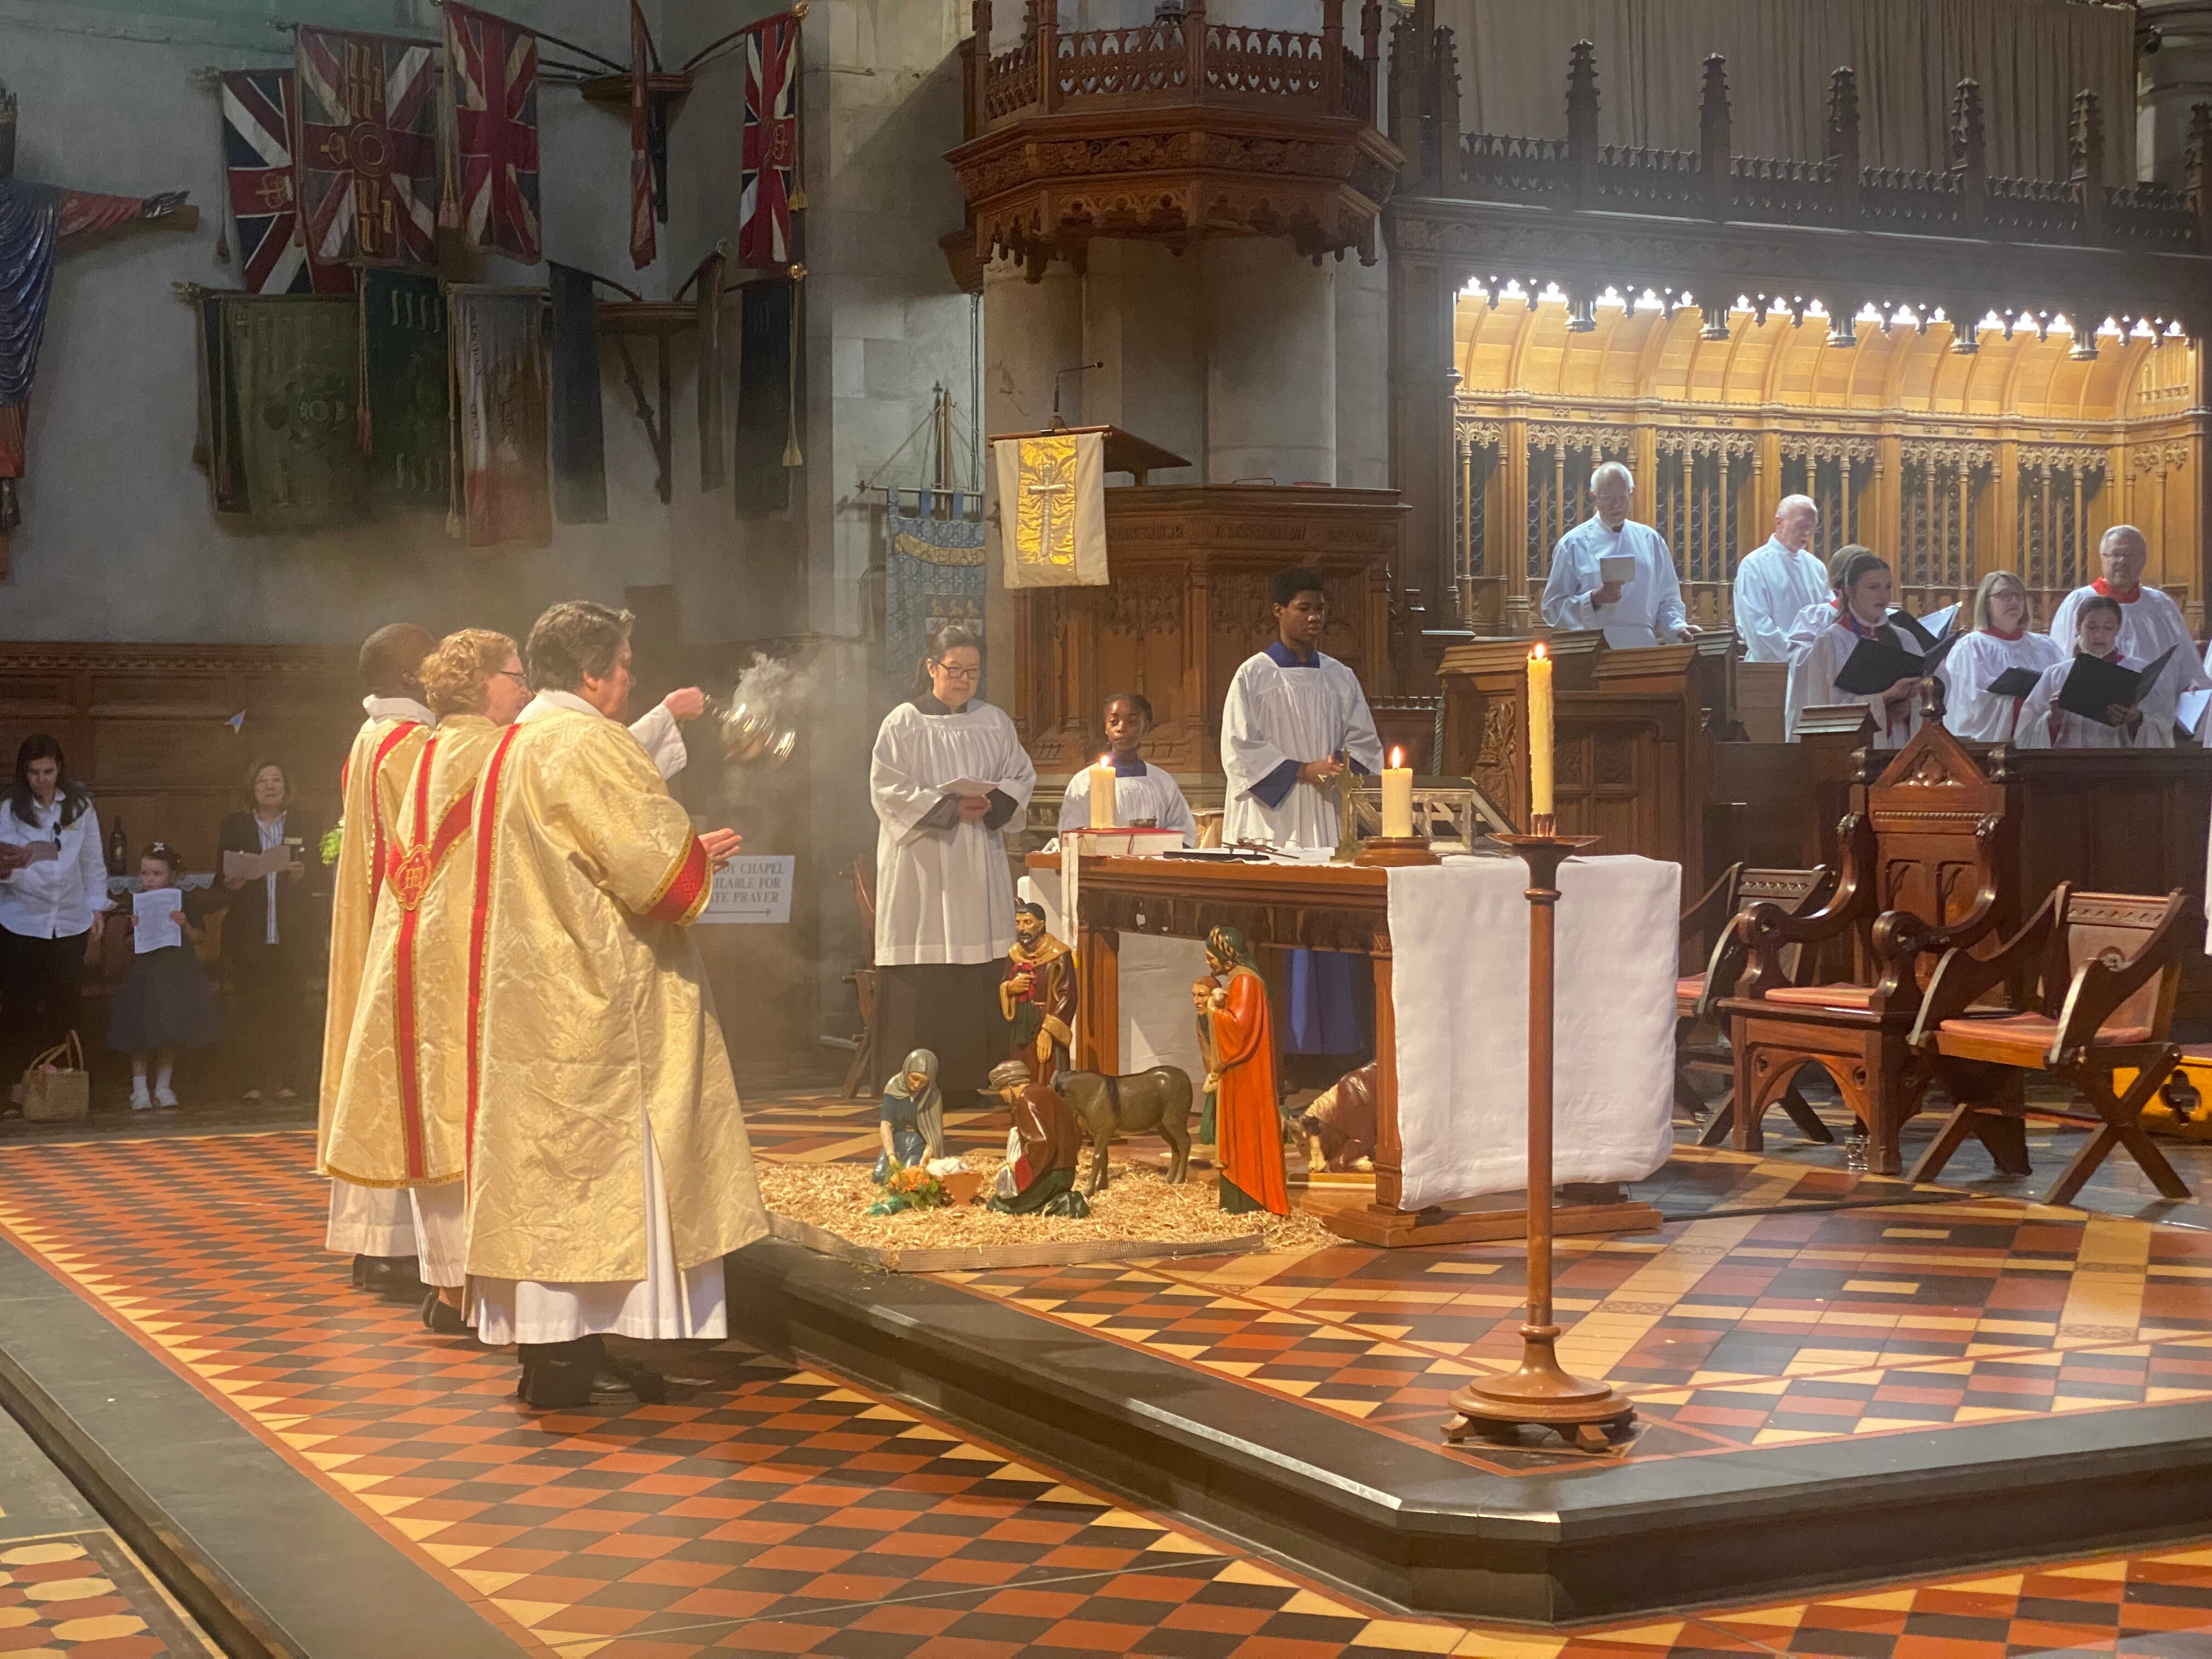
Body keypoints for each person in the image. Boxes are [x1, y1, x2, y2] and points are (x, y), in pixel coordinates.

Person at [465, 600, 765, 1409]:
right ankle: (564, 1364)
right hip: (598, 993)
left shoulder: (515, 743)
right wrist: (692, 862)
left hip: (532, 991)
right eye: (626, 665)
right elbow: (657, 881)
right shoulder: (587, 744)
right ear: (594, 673)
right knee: (603, 1181)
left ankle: (563, 1353)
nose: (632, 680)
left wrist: (672, 859)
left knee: (548, 1182)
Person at [324, 629, 532, 1334]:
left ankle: (437, 1279)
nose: (524, 688)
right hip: (455, 950)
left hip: (403, 939)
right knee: (454, 1116)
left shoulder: (395, 742)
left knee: (425, 1112)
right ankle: (452, 1285)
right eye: (514, 674)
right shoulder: (456, 749)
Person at [1221, 567, 1383, 1076]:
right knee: (1282, 932)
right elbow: (1240, 750)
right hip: (1277, 820)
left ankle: (1337, 1051)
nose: (1314, 618)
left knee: (1330, 926)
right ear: (1278, 611)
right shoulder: (1253, 676)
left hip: (1327, 815)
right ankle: (1281, 1054)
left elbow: (1365, 744)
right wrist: (1300, 770)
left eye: (1320, 609)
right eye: (1303, 608)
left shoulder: (1340, 676)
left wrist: (1339, 769)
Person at [870, 623, 1037, 1104]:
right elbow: (887, 788)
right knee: (924, 963)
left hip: (975, 856)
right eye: (954, 670)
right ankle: (912, 1081)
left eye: (973, 671)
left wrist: (993, 804)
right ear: (930, 669)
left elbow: (1020, 775)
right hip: (922, 862)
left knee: (974, 962)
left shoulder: (995, 722)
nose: (964, 680)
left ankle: (965, 1080)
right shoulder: (903, 723)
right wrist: (946, 808)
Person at [321, 622, 438, 1296]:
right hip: (403, 940)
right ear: (408, 677)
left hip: (370, 932)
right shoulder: (416, 747)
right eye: (432, 652)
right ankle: (396, 1251)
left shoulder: (370, 740)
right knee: (401, 1082)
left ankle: (374, 1245)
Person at [0, 736, 110, 1103]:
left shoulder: (79, 806)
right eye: (34, 772)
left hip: (69, 919)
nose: (42, 779)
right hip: (22, 920)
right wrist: (12, 867)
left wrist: (97, 908)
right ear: (24, 773)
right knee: (21, 1007)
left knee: (66, 1004)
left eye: (48, 771)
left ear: (59, 769)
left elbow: (93, 859)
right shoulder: (10, 808)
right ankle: (20, 1090)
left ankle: (65, 1088)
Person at [210, 762, 320, 1101]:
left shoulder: (305, 823)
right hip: (249, 933)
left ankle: (288, 1081)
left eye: (277, 780)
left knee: (290, 1007)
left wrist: (305, 875)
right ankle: (252, 1082)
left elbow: (323, 876)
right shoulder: (236, 825)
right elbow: (220, 882)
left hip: (293, 932)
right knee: (249, 1008)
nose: (270, 786)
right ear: (252, 789)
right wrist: (233, 881)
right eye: (262, 781)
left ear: (287, 788)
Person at [106, 844, 220, 1110]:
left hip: (176, 972)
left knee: (170, 1028)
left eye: (157, 874)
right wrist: (135, 929)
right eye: (145, 873)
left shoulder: (185, 900)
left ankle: (163, 1086)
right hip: (145, 973)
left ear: (172, 874)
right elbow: (129, 944)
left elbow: (200, 937)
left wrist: (184, 924)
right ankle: (139, 1089)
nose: (150, 879)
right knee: (141, 1029)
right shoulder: (137, 901)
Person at [1539, 462, 1697, 648]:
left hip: (1643, 649)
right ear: (1594, 498)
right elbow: (1552, 608)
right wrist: (1595, 599)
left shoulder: (1650, 540)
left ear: (1631, 494)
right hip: (1594, 648)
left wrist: (1677, 628)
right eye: (1609, 498)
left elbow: (1668, 600)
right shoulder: (1573, 544)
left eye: (1623, 497)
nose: (1618, 505)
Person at [1785, 548, 1925, 746]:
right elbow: (1824, 709)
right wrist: (1885, 698)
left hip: (1898, 742)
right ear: (1850, 591)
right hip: (1853, 748)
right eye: (1873, 587)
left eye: (1887, 587)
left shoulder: (1904, 638)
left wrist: (1909, 708)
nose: (1883, 596)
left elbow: (1924, 701)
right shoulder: (1831, 641)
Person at [1193, 926, 1286, 1217]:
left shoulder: (1245, 982)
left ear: (1228, 958)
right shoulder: (1237, 979)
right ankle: (1239, 1199)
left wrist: (1212, 1009)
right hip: (1240, 1073)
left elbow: (1239, 1030)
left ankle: (1250, 1197)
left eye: (1212, 958)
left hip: (1247, 1074)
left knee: (1245, 1131)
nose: (1209, 963)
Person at [2050, 526, 2209, 693]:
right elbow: (2058, 660)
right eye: (2115, 554)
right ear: (2102, 558)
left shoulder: (2162, 606)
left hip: (2155, 712)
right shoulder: (2078, 602)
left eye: (2129, 555)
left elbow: (2187, 663)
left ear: (2144, 559)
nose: (2122, 562)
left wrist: (2193, 684)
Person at [2017, 594, 2180, 749]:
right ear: (2079, 627)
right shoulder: (2056, 674)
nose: (2099, 635)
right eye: (2092, 627)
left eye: (2108, 628)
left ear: (2118, 629)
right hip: (2069, 766)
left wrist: (2136, 719)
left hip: (2123, 766)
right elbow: (2026, 732)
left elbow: (2163, 728)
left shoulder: (2139, 672)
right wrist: (2053, 719)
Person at [1936, 571, 2064, 743]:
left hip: (2041, 744)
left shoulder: (2046, 647)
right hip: (1989, 750)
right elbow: (1966, 708)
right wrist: (2023, 706)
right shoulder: (1971, 648)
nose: (2014, 601)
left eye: (2018, 595)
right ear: (1986, 602)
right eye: (2004, 595)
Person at [1056, 692, 1197, 845]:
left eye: (1132, 722)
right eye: (1114, 722)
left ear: (1146, 727)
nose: (1121, 728)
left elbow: (1183, 831)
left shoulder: (1162, 782)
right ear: (1106, 727)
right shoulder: (1084, 783)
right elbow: (1071, 835)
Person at [1732, 495, 1830, 663]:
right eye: (1801, 526)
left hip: (1813, 665)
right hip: (1770, 667)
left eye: (1812, 527)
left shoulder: (1817, 567)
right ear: (1780, 523)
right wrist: (1798, 655)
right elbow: (1756, 627)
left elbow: (1829, 614)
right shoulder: (1754, 565)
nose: (1807, 533)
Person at [984, 1060, 1087, 1216]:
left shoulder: (1026, 1100)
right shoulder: (1048, 1093)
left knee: (997, 1204)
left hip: (1049, 1175)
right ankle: (1059, 1199)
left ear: (1010, 1086)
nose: (1003, 1097)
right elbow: (1077, 1133)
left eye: (1002, 1091)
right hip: (1068, 1173)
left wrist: (1020, 1168)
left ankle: (1063, 1204)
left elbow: (1042, 1143)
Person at [1000, 902, 1075, 1084]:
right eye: (1018, 923)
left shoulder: (1058, 954)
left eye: (1027, 922)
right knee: (1021, 1074)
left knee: (1047, 1074)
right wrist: (1009, 988)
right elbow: (1005, 982)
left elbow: (1068, 996)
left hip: (1045, 1023)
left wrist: (1048, 1032)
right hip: (1022, 1027)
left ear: (1041, 925)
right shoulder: (1014, 954)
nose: (1021, 929)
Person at [874, 1049, 944, 1182]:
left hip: (918, 1142)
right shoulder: (893, 1088)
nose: (917, 1085)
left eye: (923, 1082)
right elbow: (886, 1124)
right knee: (881, 1176)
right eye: (914, 1078)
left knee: (909, 1175)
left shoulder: (932, 1094)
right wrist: (891, 1154)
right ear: (907, 1071)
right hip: (897, 1140)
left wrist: (927, 1155)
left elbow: (935, 1132)